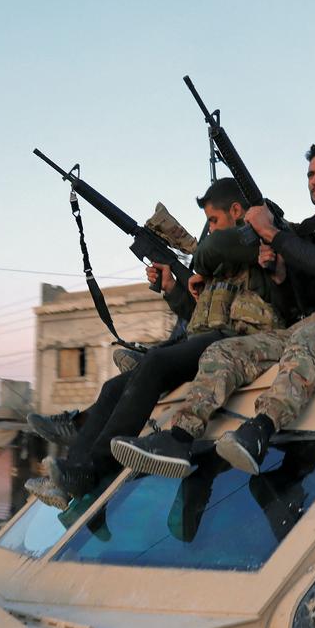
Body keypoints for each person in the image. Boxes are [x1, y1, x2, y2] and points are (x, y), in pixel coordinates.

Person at [110, 144, 315, 478]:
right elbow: (295, 298)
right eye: (312, 174)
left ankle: (261, 428)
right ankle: (180, 436)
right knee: (224, 350)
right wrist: (279, 274)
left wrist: (271, 232)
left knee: (309, 333)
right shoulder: (309, 228)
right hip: (306, 327)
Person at [26, 177, 292, 510]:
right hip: (209, 340)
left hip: (241, 343)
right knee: (113, 387)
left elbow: (233, 312)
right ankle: (72, 476)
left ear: (237, 211)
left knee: (154, 363)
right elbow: (199, 318)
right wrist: (171, 288)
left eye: (213, 220)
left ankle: (95, 468)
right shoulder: (220, 268)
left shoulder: (261, 245)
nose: (209, 230)